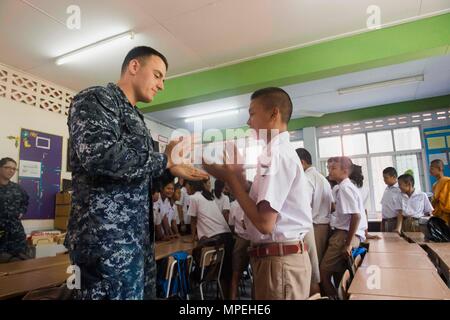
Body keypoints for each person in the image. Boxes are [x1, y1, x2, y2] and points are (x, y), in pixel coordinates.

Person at [65, 46, 207, 300]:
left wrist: (169, 171)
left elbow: (142, 180)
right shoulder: (97, 99)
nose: (162, 85)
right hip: (104, 244)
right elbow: (100, 156)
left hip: (136, 242)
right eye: (157, 75)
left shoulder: (138, 119)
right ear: (134, 66)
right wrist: (164, 160)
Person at [203, 87, 313, 300]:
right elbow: (259, 206)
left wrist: (231, 179)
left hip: (280, 262)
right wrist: (239, 180)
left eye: (252, 113)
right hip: (275, 260)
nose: (248, 121)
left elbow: (264, 223)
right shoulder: (272, 153)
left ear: (274, 114)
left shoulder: (278, 155)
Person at [320, 157, 367, 299]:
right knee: (339, 274)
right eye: (329, 168)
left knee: (323, 273)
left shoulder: (345, 187)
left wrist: (347, 244)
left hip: (344, 236)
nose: (330, 171)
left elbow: (356, 216)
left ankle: (334, 297)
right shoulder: (344, 187)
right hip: (345, 234)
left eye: (333, 168)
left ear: (345, 171)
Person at [185, 179, 234, 298]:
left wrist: (192, 238)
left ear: (190, 185)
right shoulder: (208, 197)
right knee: (225, 275)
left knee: (220, 273)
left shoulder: (194, 198)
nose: (186, 189)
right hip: (226, 237)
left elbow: (193, 220)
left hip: (216, 239)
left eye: (186, 186)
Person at [295, 148, 332, 295]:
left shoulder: (306, 178)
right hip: (324, 225)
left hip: (314, 227)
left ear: (302, 162)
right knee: (318, 270)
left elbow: (303, 204)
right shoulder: (322, 178)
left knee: (312, 272)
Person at [0, 157, 30, 263]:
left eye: (14, 169)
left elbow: (25, 201)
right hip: (1, 234)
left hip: (16, 234)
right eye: (7, 167)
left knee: (20, 263)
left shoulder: (17, 188)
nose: (11, 171)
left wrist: (22, 212)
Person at [228, 183, 252, 300]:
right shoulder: (253, 203)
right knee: (256, 276)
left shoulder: (234, 205)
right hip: (253, 241)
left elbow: (231, 225)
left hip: (240, 240)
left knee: (235, 274)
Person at [349, 164, 380, 240]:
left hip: (349, 226)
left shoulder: (346, 186)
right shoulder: (365, 189)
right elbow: (364, 211)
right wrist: (366, 233)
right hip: (360, 228)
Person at [430, 159, 450, 225]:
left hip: (447, 213)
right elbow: (434, 200)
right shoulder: (434, 185)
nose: (430, 170)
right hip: (438, 214)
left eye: (432, 168)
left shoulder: (447, 181)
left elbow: (447, 200)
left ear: (440, 168)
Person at [380, 167, 401, 232]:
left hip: (395, 222)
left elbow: (400, 211)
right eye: (383, 177)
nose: (384, 180)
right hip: (386, 221)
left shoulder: (399, 189)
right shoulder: (387, 189)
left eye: (386, 177)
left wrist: (398, 228)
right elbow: (385, 207)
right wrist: (382, 224)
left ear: (394, 177)